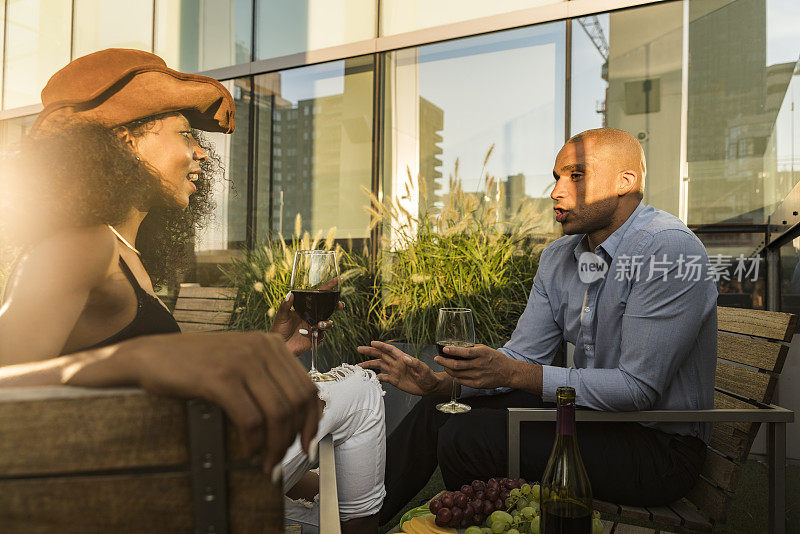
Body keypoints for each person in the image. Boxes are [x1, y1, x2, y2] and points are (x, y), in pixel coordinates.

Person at [0, 48, 384, 532]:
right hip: (146, 491)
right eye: (185, 134)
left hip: (171, 465)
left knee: (310, 507)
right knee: (359, 390)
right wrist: (135, 361)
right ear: (126, 143)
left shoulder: (126, 255)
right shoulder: (78, 246)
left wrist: (274, 345)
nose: (202, 152)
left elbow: (167, 386)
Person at [359, 128, 717, 523]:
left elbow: (637, 390)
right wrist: (443, 383)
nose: (556, 191)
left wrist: (514, 371)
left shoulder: (665, 248)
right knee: (441, 409)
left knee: (468, 437)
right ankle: (354, 523)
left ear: (625, 182)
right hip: (586, 418)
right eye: (556, 177)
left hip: (656, 448)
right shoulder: (559, 257)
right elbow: (523, 355)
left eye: (575, 176)